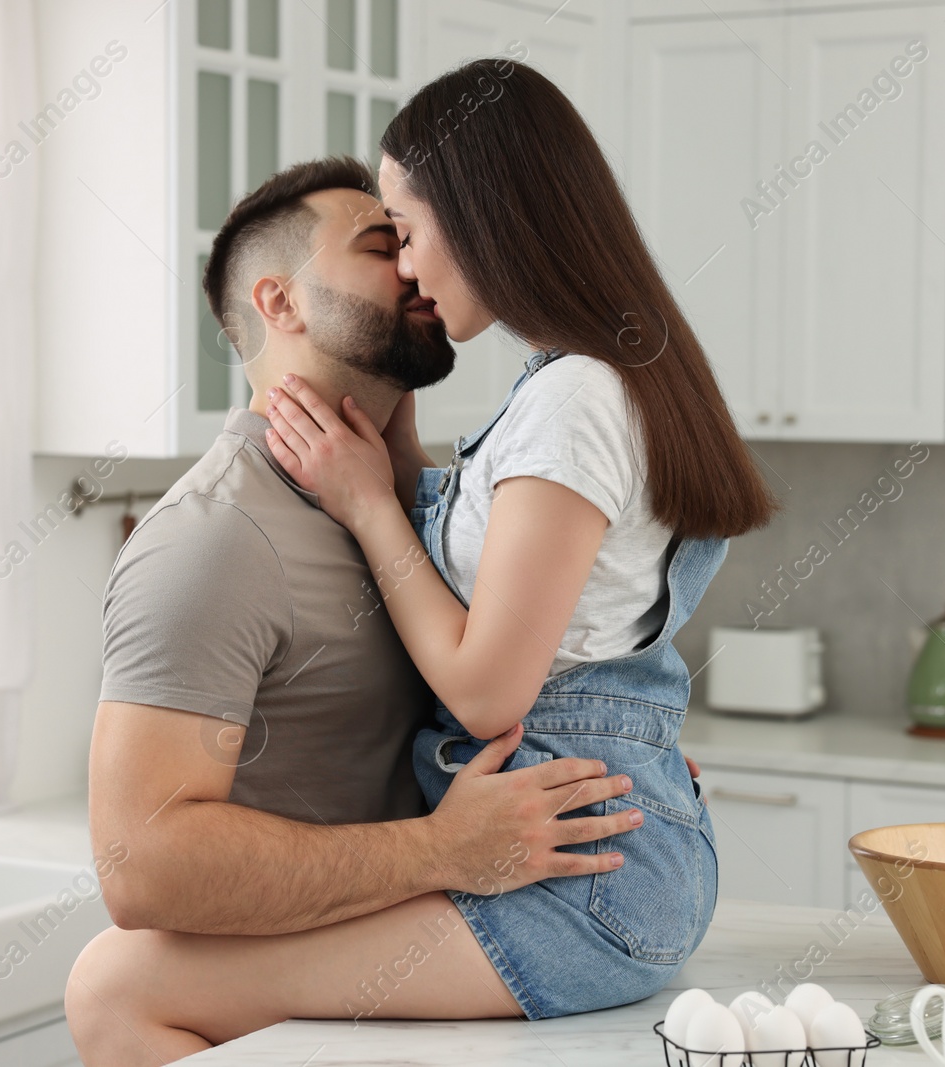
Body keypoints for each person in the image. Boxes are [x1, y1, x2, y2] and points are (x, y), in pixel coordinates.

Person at [65, 155, 709, 1066]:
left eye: (411, 239)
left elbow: (546, 655)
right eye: (384, 244)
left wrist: (622, 749)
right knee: (110, 982)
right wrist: (440, 850)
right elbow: (143, 866)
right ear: (279, 303)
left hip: (471, 939)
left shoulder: (422, 511)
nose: (418, 263)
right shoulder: (211, 545)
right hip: (401, 946)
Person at [264, 56, 778, 1020]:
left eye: (407, 232)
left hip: (579, 881)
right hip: (602, 850)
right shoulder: (601, 374)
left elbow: (490, 688)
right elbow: (573, 615)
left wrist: (371, 504)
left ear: (478, 214)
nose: (406, 264)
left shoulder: (574, 398)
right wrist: (401, 448)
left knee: (145, 981)